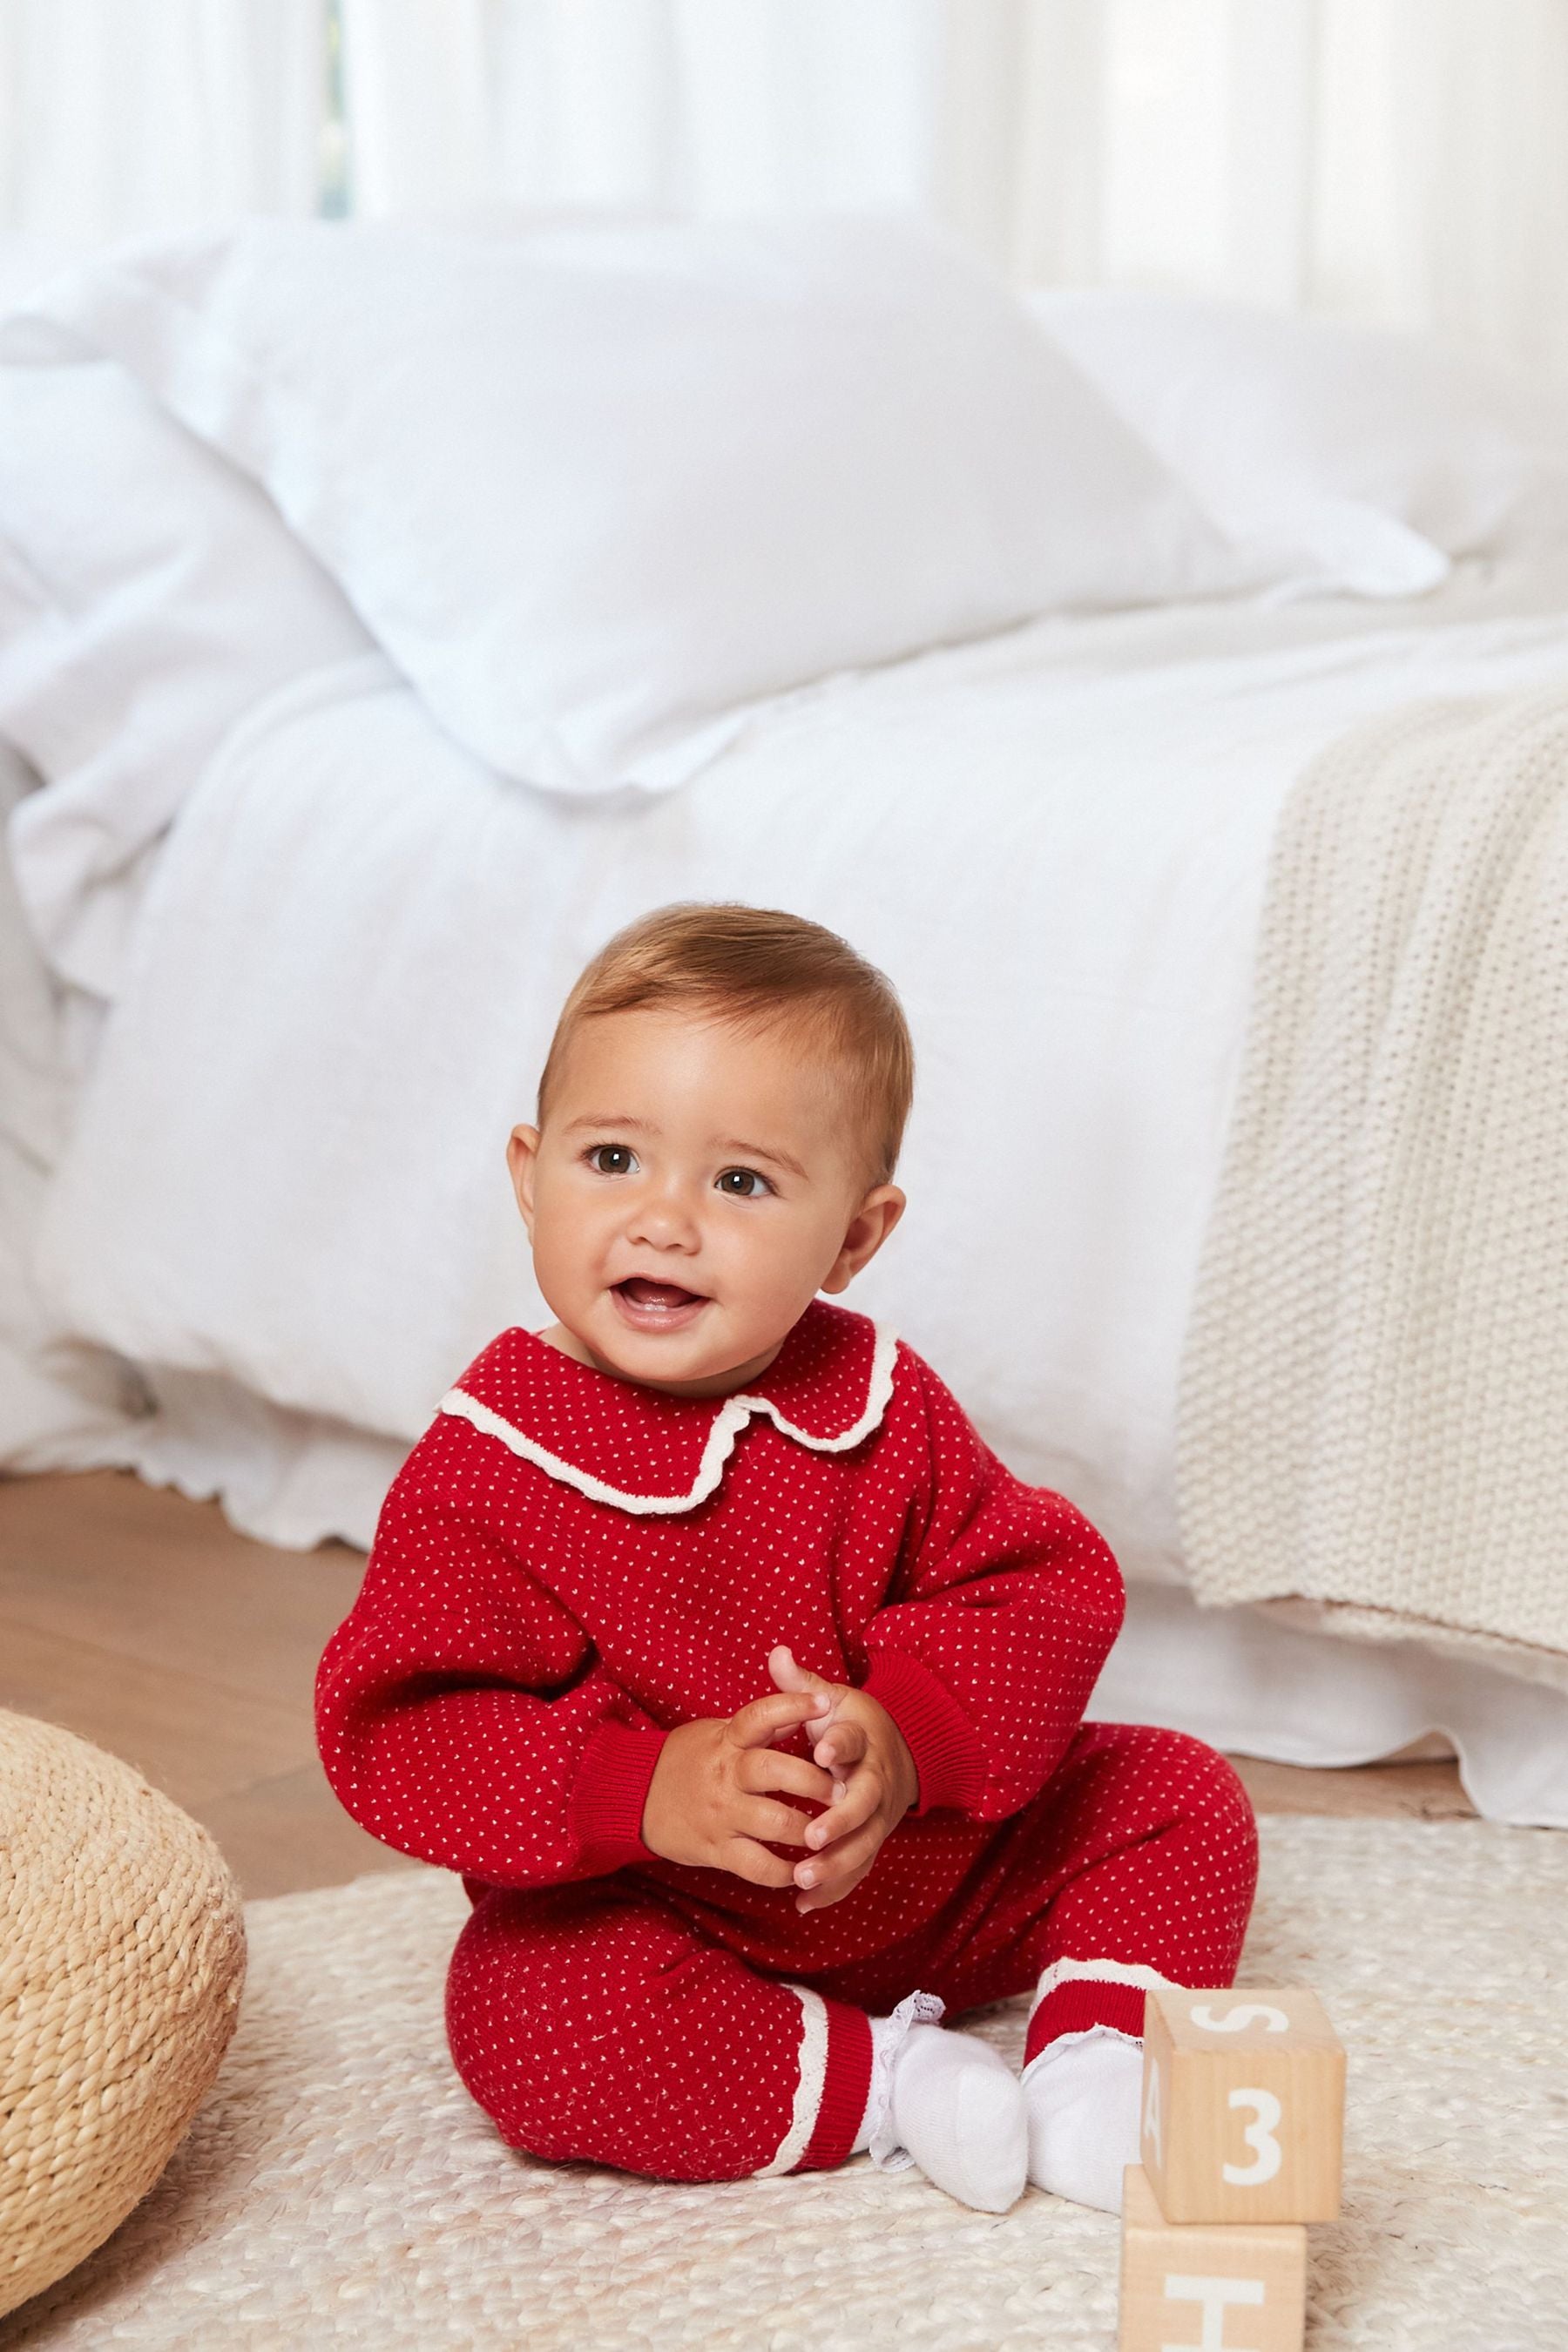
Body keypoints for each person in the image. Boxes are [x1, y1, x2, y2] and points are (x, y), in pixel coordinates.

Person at [314, 901, 1259, 2214]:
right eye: (611, 1159)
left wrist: (904, 1735)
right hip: (676, 1911)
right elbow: (406, 1730)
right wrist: (649, 1790)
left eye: (741, 1181)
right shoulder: (492, 1467)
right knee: (524, 2017)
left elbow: (1038, 1582)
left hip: (924, 1869)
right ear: (529, 1175)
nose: (663, 1222)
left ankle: (1094, 2064)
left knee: (1172, 1796)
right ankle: (889, 2084)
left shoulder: (878, 1397)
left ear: (856, 1239)